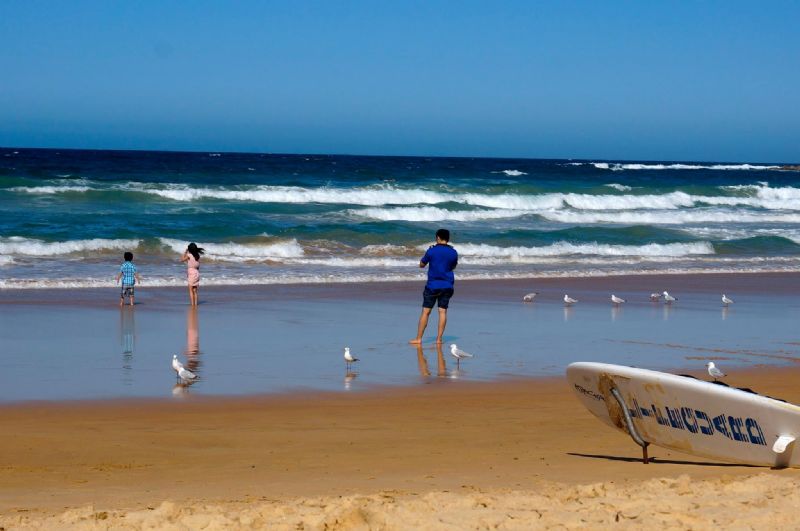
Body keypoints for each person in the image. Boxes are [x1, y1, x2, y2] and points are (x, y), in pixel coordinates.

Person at [410, 228, 458, 345]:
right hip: (447, 285)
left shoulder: (432, 250)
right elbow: (453, 266)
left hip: (432, 285)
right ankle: (439, 339)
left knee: (426, 312)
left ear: (437, 237)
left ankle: (419, 339)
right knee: (442, 312)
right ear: (448, 238)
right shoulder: (453, 252)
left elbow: (422, 264)